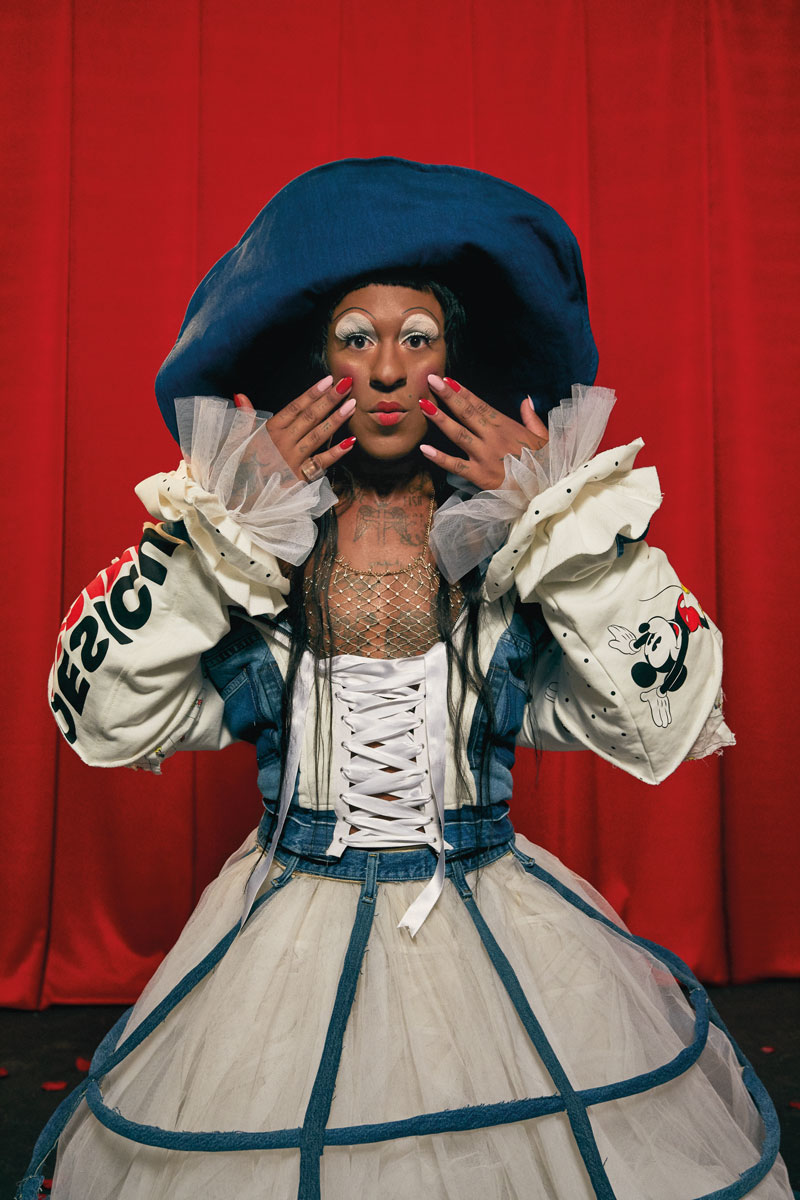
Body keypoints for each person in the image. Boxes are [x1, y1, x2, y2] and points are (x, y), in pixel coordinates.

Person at [21, 157, 792, 1200]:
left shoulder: (512, 553)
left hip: (495, 931)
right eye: (355, 337)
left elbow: (667, 716)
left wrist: (553, 517)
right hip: (280, 948)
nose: (385, 369)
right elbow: (102, 712)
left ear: (453, 364)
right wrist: (221, 525)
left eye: (417, 337)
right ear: (317, 362)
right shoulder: (256, 551)